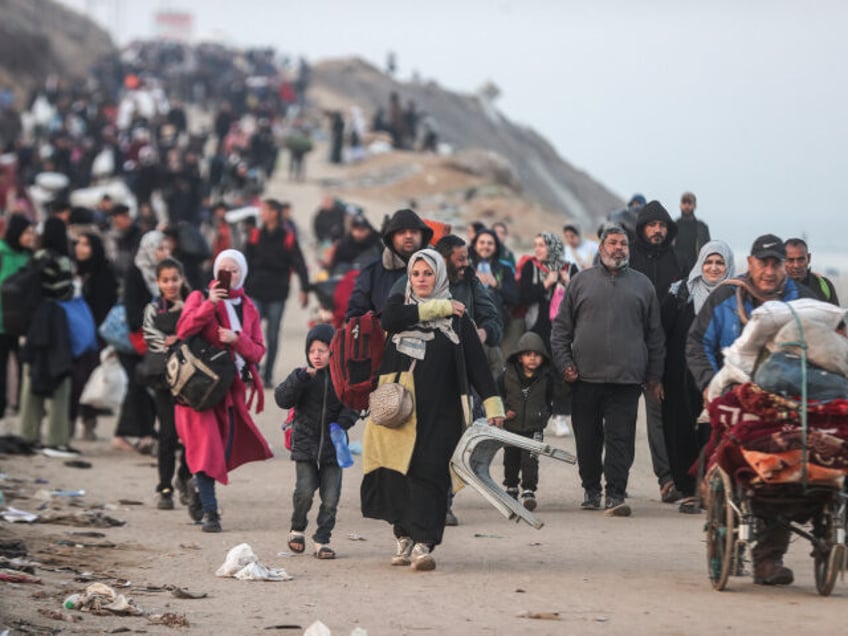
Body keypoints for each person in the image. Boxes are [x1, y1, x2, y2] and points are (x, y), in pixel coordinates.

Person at [361, 249, 504, 571]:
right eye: (416, 274)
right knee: (398, 473)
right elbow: (390, 320)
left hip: (442, 412)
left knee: (431, 474)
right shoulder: (400, 307)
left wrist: (494, 406)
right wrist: (439, 307)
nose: (422, 280)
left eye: (428, 274)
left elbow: (479, 366)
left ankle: (424, 543)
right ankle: (403, 536)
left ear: (438, 276)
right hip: (396, 411)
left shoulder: (459, 319)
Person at [686, 234, 815, 585]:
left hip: (787, 401)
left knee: (785, 469)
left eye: (777, 263)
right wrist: (710, 384)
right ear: (750, 263)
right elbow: (697, 342)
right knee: (732, 463)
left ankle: (768, 559)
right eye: (764, 263)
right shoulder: (727, 296)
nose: (770, 271)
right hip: (735, 398)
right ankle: (731, 530)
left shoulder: (803, 300)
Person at [550, 225, 665, 517]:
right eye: (612, 243)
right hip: (585, 377)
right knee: (587, 439)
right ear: (601, 248)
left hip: (627, 380)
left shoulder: (643, 285)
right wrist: (565, 364)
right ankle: (590, 489)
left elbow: (655, 335)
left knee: (621, 439)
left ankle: (615, 492)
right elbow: (561, 330)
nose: (618, 248)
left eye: (623, 244)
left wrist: (653, 376)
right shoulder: (581, 282)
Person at [174, 249, 273, 532]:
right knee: (207, 450)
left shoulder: (249, 307)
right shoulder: (199, 298)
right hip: (201, 390)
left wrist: (236, 339)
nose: (229, 275)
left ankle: (196, 485)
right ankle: (211, 513)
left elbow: (257, 351)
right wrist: (209, 305)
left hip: (232, 389)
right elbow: (184, 330)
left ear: (243, 274)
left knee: (223, 450)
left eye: (235, 270)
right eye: (224, 269)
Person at [660, 240, 734, 512]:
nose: (713, 268)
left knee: (715, 433)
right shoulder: (680, 294)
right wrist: (656, 376)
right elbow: (660, 336)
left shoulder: (735, 296)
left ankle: (714, 489)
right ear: (699, 263)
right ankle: (689, 490)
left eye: (719, 263)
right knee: (682, 433)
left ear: (728, 266)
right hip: (680, 379)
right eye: (708, 262)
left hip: (722, 378)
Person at [274, 324, 359, 559]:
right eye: (312, 351)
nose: (317, 356)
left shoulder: (342, 378)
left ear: (333, 352)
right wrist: (300, 379)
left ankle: (322, 540)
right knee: (304, 491)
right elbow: (282, 398)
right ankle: (297, 528)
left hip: (334, 446)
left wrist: (341, 424)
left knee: (331, 498)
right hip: (305, 445)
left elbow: (353, 404)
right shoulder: (301, 376)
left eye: (323, 350)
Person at [628, 200, 685, 504]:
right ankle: (613, 482)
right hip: (627, 348)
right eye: (652, 225)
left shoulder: (676, 261)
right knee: (619, 420)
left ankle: (667, 479)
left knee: (659, 415)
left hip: (661, 350)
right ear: (642, 228)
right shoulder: (629, 257)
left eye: (662, 225)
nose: (657, 230)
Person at [18, 217, 77, 455]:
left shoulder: (37, 257)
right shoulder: (61, 260)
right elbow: (63, 292)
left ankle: (28, 432)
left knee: (32, 373)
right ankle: (56, 437)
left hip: (34, 324)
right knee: (59, 373)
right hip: (54, 322)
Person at [112, 230, 173, 453]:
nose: (165, 253)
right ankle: (131, 434)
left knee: (147, 385)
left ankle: (145, 432)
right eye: (160, 249)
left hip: (154, 342)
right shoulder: (136, 273)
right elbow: (133, 313)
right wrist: (158, 321)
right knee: (139, 385)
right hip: (136, 341)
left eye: (167, 248)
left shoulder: (164, 274)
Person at [142, 257, 192, 511]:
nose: (170, 285)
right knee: (168, 434)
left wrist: (178, 337)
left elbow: (198, 330)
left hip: (192, 381)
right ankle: (164, 487)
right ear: (157, 282)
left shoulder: (194, 304)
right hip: (163, 380)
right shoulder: (153, 308)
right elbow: (150, 336)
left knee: (192, 435)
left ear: (182, 278)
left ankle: (185, 476)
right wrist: (176, 340)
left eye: (174, 279)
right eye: (165, 280)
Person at [497, 331, 566, 511]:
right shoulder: (506, 376)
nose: (532, 359)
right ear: (520, 358)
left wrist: (544, 415)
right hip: (511, 426)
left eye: (536, 356)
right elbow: (497, 395)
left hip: (534, 427)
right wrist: (504, 410)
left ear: (543, 358)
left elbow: (552, 398)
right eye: (528, 355)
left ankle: (528, 490)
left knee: (531, 459)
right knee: (510, 457)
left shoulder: (546, 378)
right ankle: (511, 487)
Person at [244, 198, 309, 386]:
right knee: (251, 335)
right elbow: (244, 262)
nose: (262, 213)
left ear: (274, 213)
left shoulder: (288, 238)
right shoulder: (255, 236)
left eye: (264, 210)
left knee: (272, 335)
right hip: (255, 291)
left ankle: (268, 375)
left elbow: (299, 264)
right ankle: (253, 371)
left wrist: (305, 288)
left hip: (277, 293)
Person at [71, 232, 118, 440]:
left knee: (89, 377)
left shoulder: (103, 274)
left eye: (85, 245)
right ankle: (71, 422)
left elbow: (105, 305)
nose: (80, 249)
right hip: (74, 335)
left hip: (96, 335)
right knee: (74, 380)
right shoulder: (73, 272)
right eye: (79, 244)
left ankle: (89, 423)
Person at [345, 208, 433, 319]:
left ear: (423, 236)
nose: (408, 236)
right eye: (401, 232)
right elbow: (355, 315)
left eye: (414, 232)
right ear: (391, 238)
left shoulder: (438, 268)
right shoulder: (372, 273)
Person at [0, 214, 34, 429]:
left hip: (23, 324)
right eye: (27, 233)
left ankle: (24, 407)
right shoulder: (2, 253)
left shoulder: (30, 256)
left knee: (25, 366)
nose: (30, 236)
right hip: (1, 322)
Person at [518, 232, 576, 345]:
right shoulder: (530, 266)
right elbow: (523, 297)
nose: (537, 249)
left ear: (553, 247)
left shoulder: (569, 268)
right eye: (535, 245)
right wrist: (546, 284)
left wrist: (568, 283)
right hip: (536, 327)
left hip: (563, 329)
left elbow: (579, 299)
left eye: (541, 245)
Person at [784, 238, 839, 305]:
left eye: (801, 259)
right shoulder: (775, 288)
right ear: (783, 261)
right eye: (790, 260)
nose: (796, 265)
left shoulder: (823, 285)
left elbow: (836, 314)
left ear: (809, 258)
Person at [673, 192, 710, 273]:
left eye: (689, 203)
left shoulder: (702, 227)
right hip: (676, 269)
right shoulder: (673, 226)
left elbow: (708, 251)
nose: (686, 206)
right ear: (680, 205)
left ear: (694, 206)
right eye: (684, 202)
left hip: (696, 269)